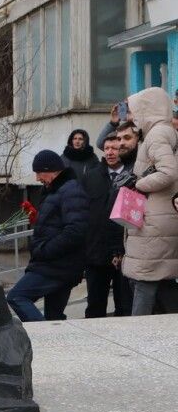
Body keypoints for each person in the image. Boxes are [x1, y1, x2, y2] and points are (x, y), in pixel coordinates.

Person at [6, 151, 89, 322]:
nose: (37, 178)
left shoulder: (70, 189)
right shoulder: (55, 189)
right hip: (59, 266)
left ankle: (44, 338)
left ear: (51, 170)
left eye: (39, 173)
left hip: (56, 266)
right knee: (54, 317)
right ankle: (55, 346)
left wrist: (44, 250)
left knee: (17, 297)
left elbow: (76, 230)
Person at [121, 87, 178, 315]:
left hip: (153, 220)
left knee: (144, 279)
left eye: (135, 111)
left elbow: (168, 172)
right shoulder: (165, 132)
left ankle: (136, 335)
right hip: (161, 215)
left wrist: (138, 184)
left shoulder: (157, 134)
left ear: (148, 109)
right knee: (161, 280)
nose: (133, 116)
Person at [80, 135, 133, 318]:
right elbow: (83, 212)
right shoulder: (91, 176)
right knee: (95, 306)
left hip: (126, 252)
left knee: (125, 306)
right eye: (107, 148)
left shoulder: (132, 176)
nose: (110, 152)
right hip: (96, 253)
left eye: (115, 148)